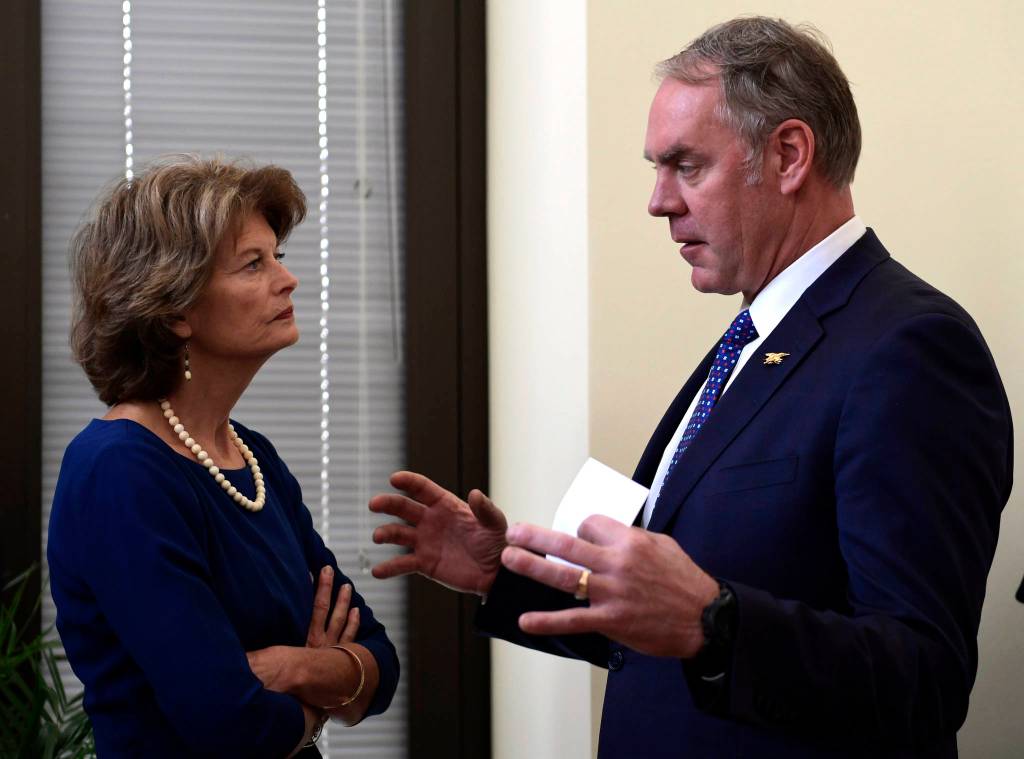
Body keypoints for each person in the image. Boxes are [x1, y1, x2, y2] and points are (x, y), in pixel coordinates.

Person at [369, 17, 1013, 758]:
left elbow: (924, 678)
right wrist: (511, 573)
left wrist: (715, 620)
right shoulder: (754, 337)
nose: (658, 201)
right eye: (656, 168)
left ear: (789, 155)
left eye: (686, 166)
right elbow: (664, 607)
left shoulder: (909, 348)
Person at [47, 155, 399, 757]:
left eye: (278, 258)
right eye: (252, 265)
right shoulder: (119, 469)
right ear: (175, 309)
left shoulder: (251, 456)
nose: (287, 280)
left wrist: (290, 670)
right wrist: (326, 691)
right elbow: (231, 724)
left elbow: (381, 667)